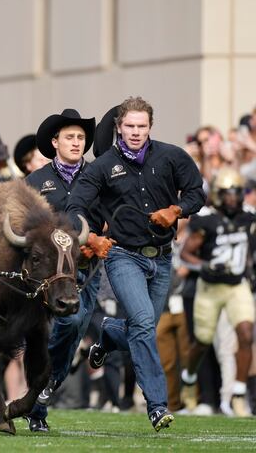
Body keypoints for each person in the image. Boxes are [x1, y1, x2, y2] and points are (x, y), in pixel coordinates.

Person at [66, 96, 205, 431]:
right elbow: (74, 207)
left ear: (150, 127)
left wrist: (176, 211)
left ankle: (109, 336)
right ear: (118, 127)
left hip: (162, 258)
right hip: (123, 256)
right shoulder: (101, 167)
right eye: (129, 126)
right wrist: (90, 237)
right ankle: (157, 405)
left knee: (141, 329)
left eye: (142, 126)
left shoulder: (172, 157)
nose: (135, 132)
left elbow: (197, 193)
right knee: (144, 325)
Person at [24, 108, 111, 432]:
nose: (76, 143)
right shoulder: (35, 182)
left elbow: (111, 215)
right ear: (55, 142)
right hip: (46, 276)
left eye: (80, 138)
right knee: (39, 335)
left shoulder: (99, 175)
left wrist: (101, 237)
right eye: (69, 137)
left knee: (73, 327)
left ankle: (41, 393)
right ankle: (38, 400)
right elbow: (24, 223)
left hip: (85, 269)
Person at [179, 167, 255, 417]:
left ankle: (239, 394)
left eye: (236, 192)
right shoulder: (206, 219)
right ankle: (189, 379)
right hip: (210, 287)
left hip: (237, 285)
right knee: (202, 341)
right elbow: (186, 254)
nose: (232, 197)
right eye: (227, 193)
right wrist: (207, 265)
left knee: (245, 334)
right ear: (218, 194)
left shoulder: (249, 218)